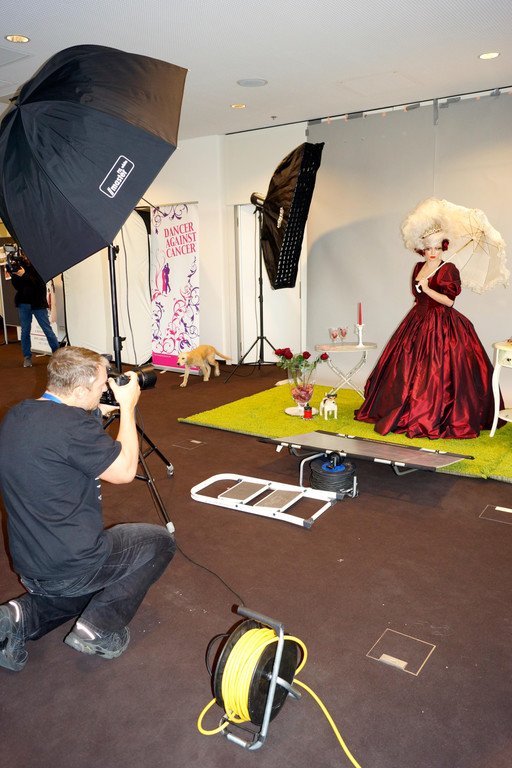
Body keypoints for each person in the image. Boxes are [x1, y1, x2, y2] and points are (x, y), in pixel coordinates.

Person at [0, 346, 176, 671]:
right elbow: (124, 471)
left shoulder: (17, 414)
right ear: (80, 391)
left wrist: (96, 411)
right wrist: (127, 407)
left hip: (32, 566)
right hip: (71, 567)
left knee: (86, 593)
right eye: (100, 385)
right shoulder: (72, 429)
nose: (105, 388)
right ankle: (99, 629)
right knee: (159, 543)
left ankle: (17, 617)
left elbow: (61, 442)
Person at [354, 226, 498, 439]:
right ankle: (403, 410)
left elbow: (449, 302)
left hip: (441, 324)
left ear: (443, 248)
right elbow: (418, 297)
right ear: (422, 248)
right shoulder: (418, 267)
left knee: (436, 371)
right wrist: (421, 297)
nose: (433, 252)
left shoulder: (448, 269)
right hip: (416, 321)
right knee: (405, 369)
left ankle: (430, 414)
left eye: (437, 248)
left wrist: (428, 288)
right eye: (429, 248)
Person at [8, 249, 60, 367]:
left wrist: (24, 275)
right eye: (23, 254)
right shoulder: (20, 265)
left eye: (26, 254)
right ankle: (27, 357)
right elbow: (17, 286)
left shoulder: (40, 265)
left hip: (38, 303)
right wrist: (14, 275)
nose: (25, 256)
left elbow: (38, 284)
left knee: (47, 330)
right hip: (23, 303)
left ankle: (57, 356)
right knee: (25, 331)